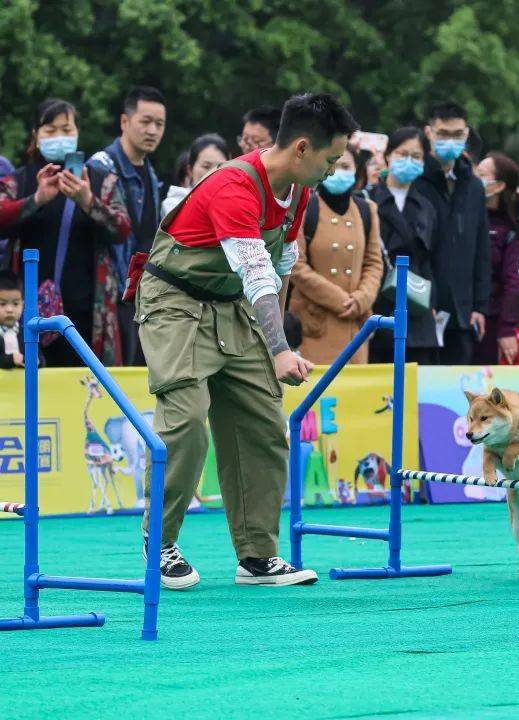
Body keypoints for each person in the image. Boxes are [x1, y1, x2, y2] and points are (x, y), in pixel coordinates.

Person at [136, 93, 357, 589]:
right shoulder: (235, 186)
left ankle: (257, 555)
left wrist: (270, 347)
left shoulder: (299, 191)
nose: (336, 169)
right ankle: (161, 540)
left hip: (232, 304)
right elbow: (256, 275)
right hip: (175, 300)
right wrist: (280, 350)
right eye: (332, 158)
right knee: (188, 419)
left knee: (264, 421)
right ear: (302, 148)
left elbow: (277, 272)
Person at [0, 98, 131, 367]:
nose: (59, 136)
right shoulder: (20, 180)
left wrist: (88, 201)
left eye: (67, 129)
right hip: (24, 315)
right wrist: (35, 200)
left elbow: (122, 228)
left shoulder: (99, 179)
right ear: (36, 136)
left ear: (77, 133)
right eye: (50, 130)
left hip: (86, 315)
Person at [88, 86, 167, 366]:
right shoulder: (100, 167)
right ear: (125, 122)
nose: (153, 130)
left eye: (159, 124)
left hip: (143, 296)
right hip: (109, 294)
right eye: (145, 121)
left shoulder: (150, 170)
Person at [289, 145, 383, 364]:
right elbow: (296, 265)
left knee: (354, 394)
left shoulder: (367, 210)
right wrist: (341, 300)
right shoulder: (305, 208)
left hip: (356, 323)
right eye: (333, 164)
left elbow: (374, 262)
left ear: (357, 171)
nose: (338, 171)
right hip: (315, 323)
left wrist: (361, 299)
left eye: (346, 166)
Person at [414, 101, 490, 365]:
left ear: (466, 134)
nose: (450, 141)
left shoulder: (474, 187)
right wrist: (425, 300)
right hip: (423, 307)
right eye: (443, 134)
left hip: (462, 312)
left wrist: (480, 307)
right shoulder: (416, 180)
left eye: (457, 135)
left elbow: (482, 250)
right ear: (429, 133)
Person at [368, 127, 440, 364]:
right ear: (388, 155)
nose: (409, 161)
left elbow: (431, 259)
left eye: (416, 156)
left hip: (417, 303)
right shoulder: (366, 200)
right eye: (402, 153)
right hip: (378, 301)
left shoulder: (426, 207)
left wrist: (433, 302)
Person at [474, 152, 519, 365]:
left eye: (482, 174)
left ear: (498, 186)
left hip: (492, 321)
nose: (475, 178)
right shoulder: (466, 216)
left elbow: (514, 282)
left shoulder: (512, 229)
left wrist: (507, 329)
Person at [162, 134, 229, 215]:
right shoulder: (174, 205)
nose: (213, 172)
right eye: (206, 166)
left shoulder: (234, 202)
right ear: (190, 170)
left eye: (220, 167)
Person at [0, 271, 25, 370]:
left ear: (22, 304)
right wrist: (9, 360)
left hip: (21, 385)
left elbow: (40, 360)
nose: (10, 310)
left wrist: (26, 359)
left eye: (15, 304)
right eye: (2, 304)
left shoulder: (26, 333)